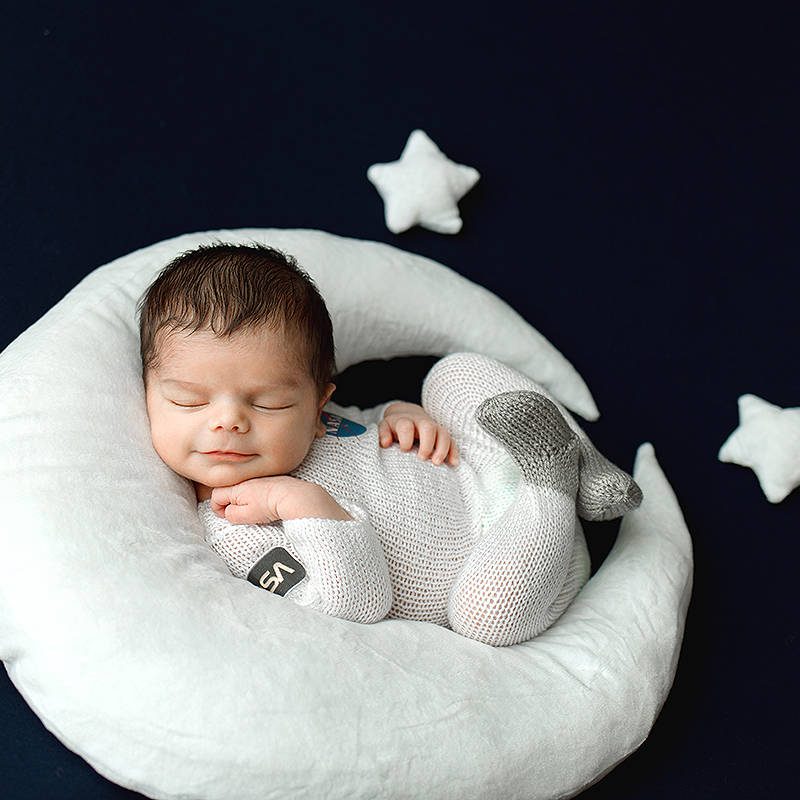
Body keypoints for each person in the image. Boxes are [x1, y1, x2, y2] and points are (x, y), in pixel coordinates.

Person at [137, 241, 641, 647]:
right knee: (486, 617)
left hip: (482, 471)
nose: (228, 422)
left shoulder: (320, 423)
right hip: (516, 564)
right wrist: (301, 503)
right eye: (188, 401)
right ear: (149, 395)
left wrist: (402, 414)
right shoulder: (234, 526)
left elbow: (366, 429)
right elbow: (352, 605)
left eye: (268, 403)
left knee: (453, 374)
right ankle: (554, 483)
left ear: (318, 406)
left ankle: (586, 465)